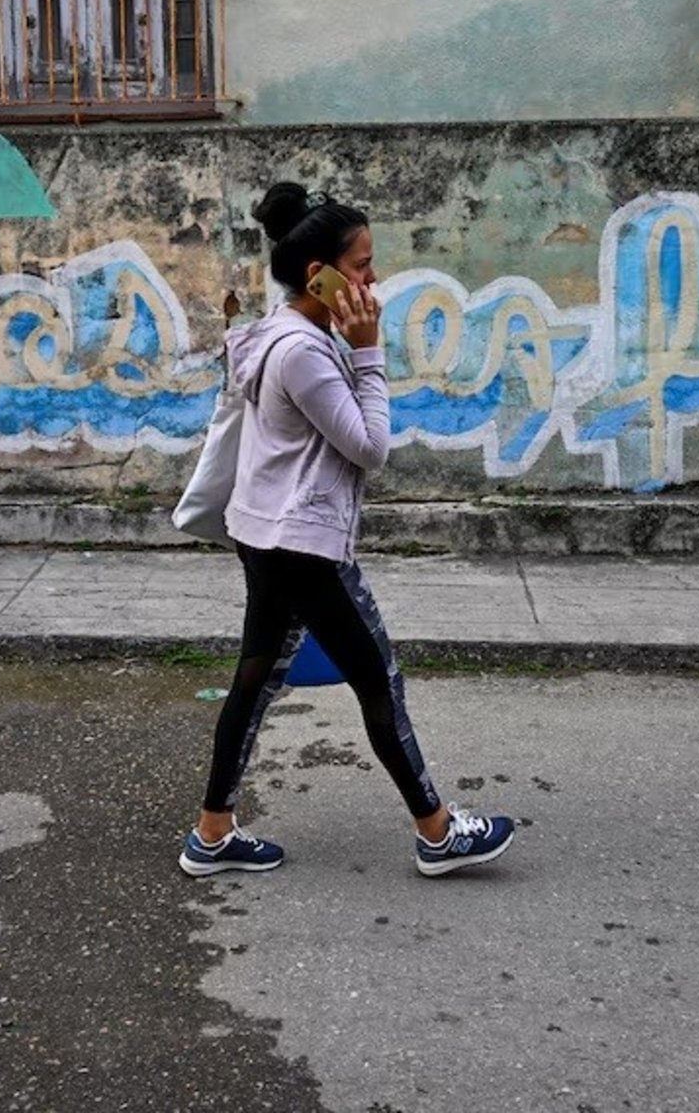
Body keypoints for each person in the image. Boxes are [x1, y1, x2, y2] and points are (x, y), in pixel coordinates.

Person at [178, 181, 515, 880]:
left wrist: (350, 341)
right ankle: (438, 831)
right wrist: (369, 352)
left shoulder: (281, 331)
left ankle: (211, 836)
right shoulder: (306, 349)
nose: (373, 278)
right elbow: (370, 447)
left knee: (253, 683)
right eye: (362, 265)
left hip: (263, 533)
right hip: (302, 546)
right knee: (378, 684)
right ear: (319, 274)